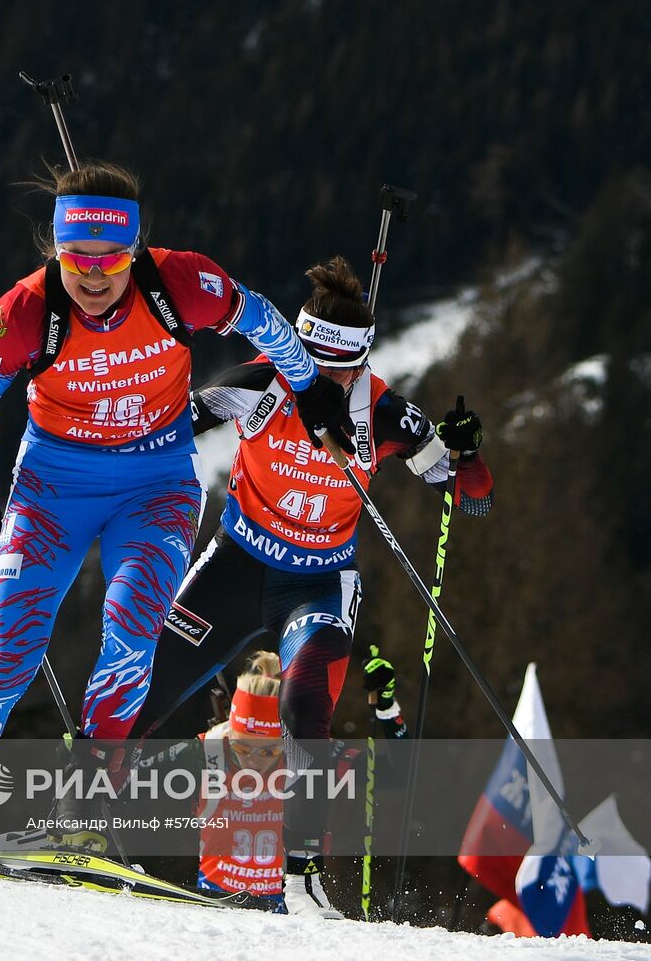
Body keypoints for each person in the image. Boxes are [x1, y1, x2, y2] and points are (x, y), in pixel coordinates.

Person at [0, 162, 356, 852]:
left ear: (136, 250)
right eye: (76, 258)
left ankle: (85, 805)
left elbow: (259, 315)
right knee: (9, 650)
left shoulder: (179, 283)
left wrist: (308, 384)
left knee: (131, 629)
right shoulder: (23, 313)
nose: (94, 276)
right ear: (54, 251)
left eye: (112, 259)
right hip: (53, 486)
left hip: (156, 484)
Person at [130, 254, 494, 916]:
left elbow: (469, 495)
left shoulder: (385, 415)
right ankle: (76, 816)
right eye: (305, 356)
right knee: (146, 679)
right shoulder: (261, 381)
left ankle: (299, 878)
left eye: (331, 367)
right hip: (238, 565)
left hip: (320, 584)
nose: (312, 376)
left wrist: (467, 457)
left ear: (356, 362)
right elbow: (162, 429)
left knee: (304, 708)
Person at [136, 648, 408, 913]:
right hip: (217, 908)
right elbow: (127, 781)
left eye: (269, 750)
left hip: (287, 914)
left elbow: (397, 773)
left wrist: (386, 708)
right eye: (242, 748)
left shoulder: (309, 754)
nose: (254, 760)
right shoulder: (208, 752)